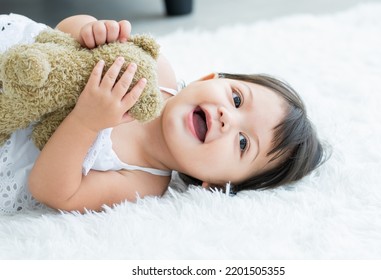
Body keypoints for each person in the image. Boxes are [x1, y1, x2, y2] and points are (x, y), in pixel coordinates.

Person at [0, 14, 325, 214]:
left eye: (243, 143)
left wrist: (86, 121)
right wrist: (91, 31)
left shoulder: (142, 181)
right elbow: (63, 32)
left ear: (213, 185)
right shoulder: (156, 71)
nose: (228, 117)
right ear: (206, 79)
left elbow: (52, 191)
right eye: (237, 99)